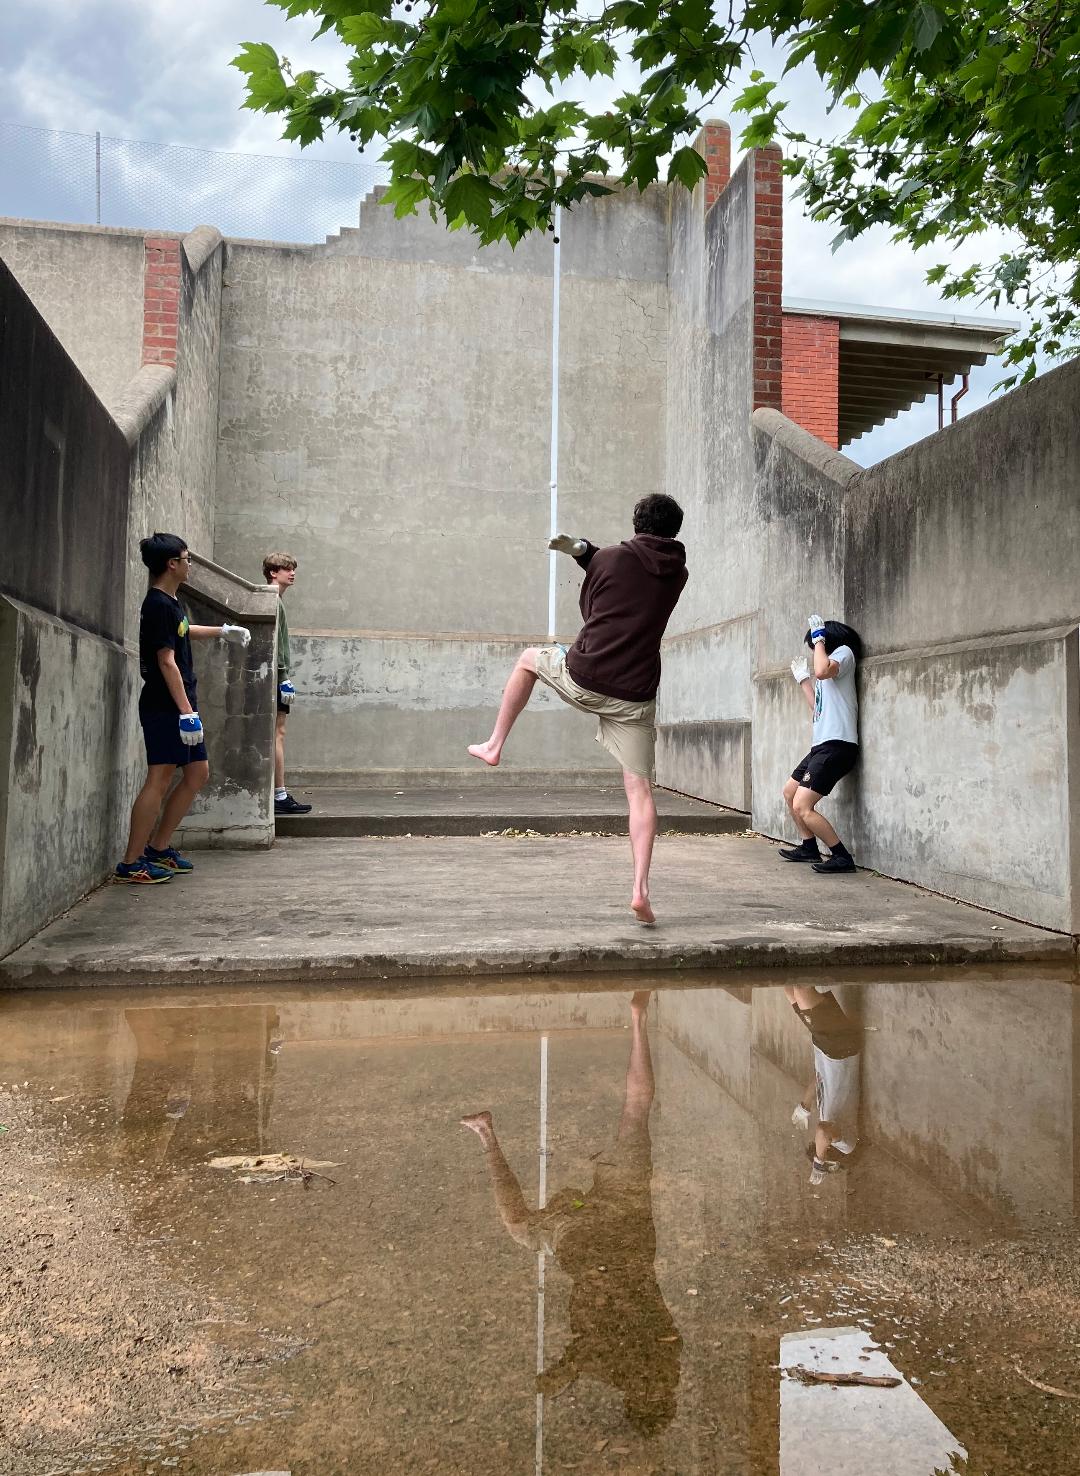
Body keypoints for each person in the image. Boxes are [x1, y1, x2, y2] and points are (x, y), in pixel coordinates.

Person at [461, 992, 681, 1435]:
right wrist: (566, 1370)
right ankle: (485, 1133)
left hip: (618, 1227)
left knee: (636, 1114)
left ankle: (638, 1020)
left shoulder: (662, 1359)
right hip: (594, 1238)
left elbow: (597, 1347)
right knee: (521, 1224)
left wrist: (570, 1369)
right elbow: (598, 1346)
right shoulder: (650, 1363)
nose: (648, 1388)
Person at [467, 494, 688, 924]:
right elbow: (612, 563)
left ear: (635, 523)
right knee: (640, 793)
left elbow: (597, 585)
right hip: (635, 694)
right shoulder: (678, 573)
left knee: (530, 658)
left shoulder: (612, 560)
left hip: (586, 677)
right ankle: (640, 891)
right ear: (674, 531)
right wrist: (581, 549)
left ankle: (494, 744)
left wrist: (578, 551)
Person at [115, 532, 251, 884]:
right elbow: (166, 660)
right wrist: (186, 711)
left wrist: (222, 631)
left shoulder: (170, 603)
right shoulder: (157, 603)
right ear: (172, 564)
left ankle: (159, 848)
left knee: (197, 773)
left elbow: (182, 630)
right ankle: (131, 862)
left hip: (178, 705)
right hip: (166, 706)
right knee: (158, 779)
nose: (190, 564)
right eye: (187, 559)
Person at [780, 614, 862, 874]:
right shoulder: (827, 672)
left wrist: (819, 641)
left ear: (828, 639)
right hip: (822, 745)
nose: (814, 649)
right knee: (790, 792)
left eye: (815, 644)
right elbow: (818, 710)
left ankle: (841, 857)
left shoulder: (844, 653)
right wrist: (804, 680)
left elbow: (822, 670)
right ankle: (808, 847)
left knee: (802, 806)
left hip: (838, 745)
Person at [785, 984, 862, 1185]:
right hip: (840, 1050)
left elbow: (819, 1077)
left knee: (790, 990)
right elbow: (823, 1132)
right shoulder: (847, 1144)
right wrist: (819, 1161)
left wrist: (804, 1105)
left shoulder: (826, 1115)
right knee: (802, 990)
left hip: (827, 1047)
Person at [263, 552, 311, 816]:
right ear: (273, 572)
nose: (292, 573)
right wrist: (284, 678)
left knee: (278, 733)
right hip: (277, 679)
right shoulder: (273, 600)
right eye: (286, 569)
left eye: (293, 569)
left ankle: (278, 793)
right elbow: (276, 645)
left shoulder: (276, 600)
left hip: (277, 677)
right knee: (278, 733)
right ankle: (279, 794)